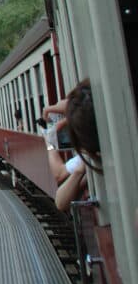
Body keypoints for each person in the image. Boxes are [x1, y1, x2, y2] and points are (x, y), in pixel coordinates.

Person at [43, 79, 101, 212]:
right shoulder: (88, 159)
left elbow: (59, 176)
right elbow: (60, 201)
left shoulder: (90, 157)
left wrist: (49, 145)